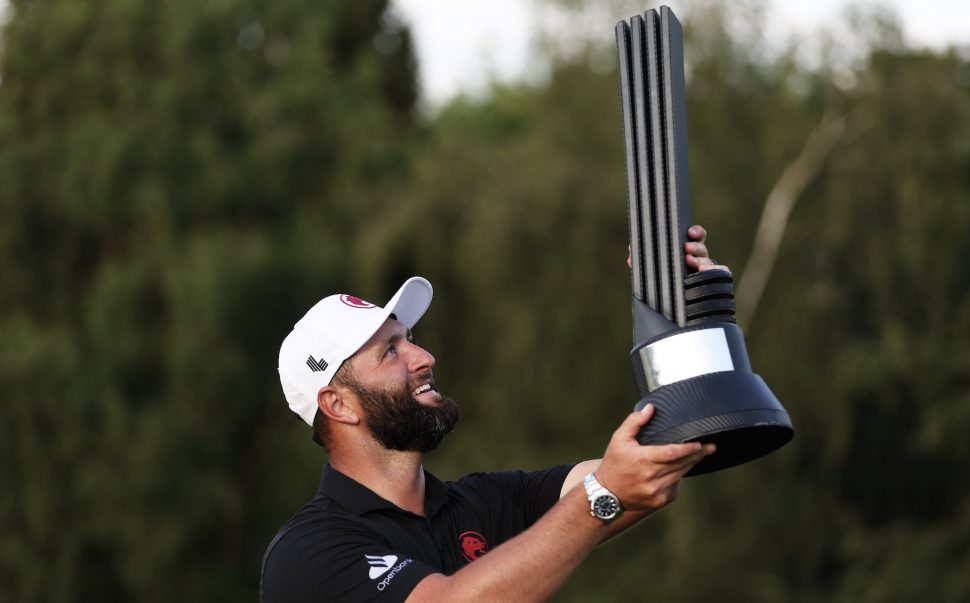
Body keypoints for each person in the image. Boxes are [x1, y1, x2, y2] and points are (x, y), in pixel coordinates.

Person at [261, 226, 727, 602]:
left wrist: (680, 321)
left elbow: (650, 463)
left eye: (409, 338)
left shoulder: (486, 502)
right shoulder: (309, 551)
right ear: (337, 405)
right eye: (389, 352)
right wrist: (598, 499)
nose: (424, 357)